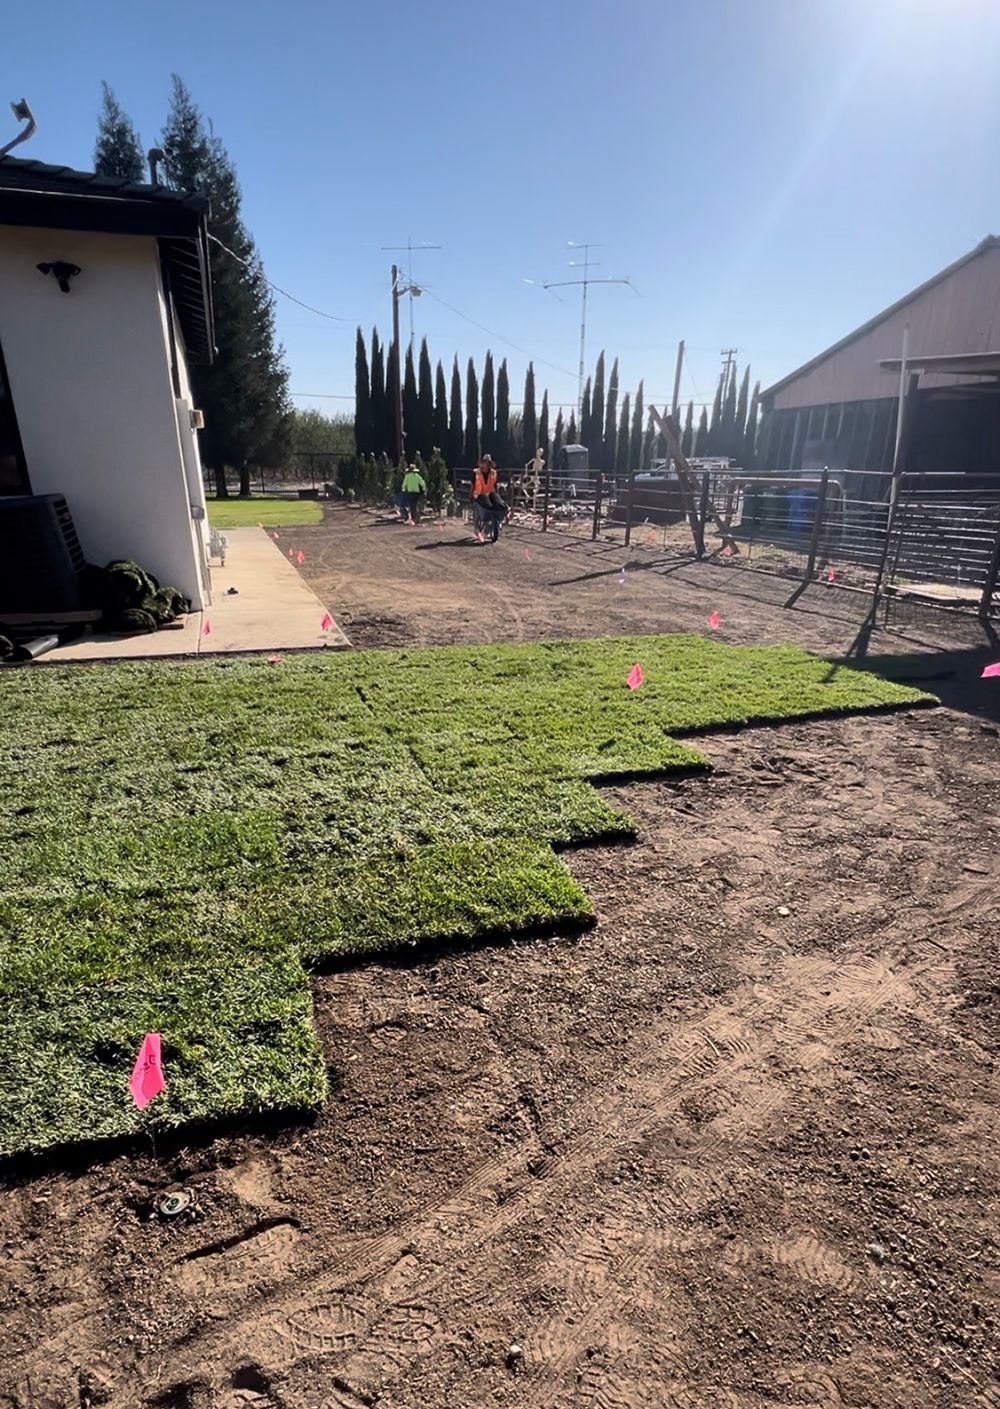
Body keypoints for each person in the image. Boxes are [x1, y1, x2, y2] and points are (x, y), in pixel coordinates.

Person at [470, 454, 507, 542]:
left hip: (490, 493)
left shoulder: (493, 473)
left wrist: (497, 497)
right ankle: (476, 527)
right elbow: (472, 485)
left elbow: (495, 486)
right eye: (484, 462)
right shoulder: (476, 472)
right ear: (482, 463)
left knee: (499, 505)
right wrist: (471, 495)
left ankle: (493, 525)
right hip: (479, 494)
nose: (486, 464)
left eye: (488, 463)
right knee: (479, 510)